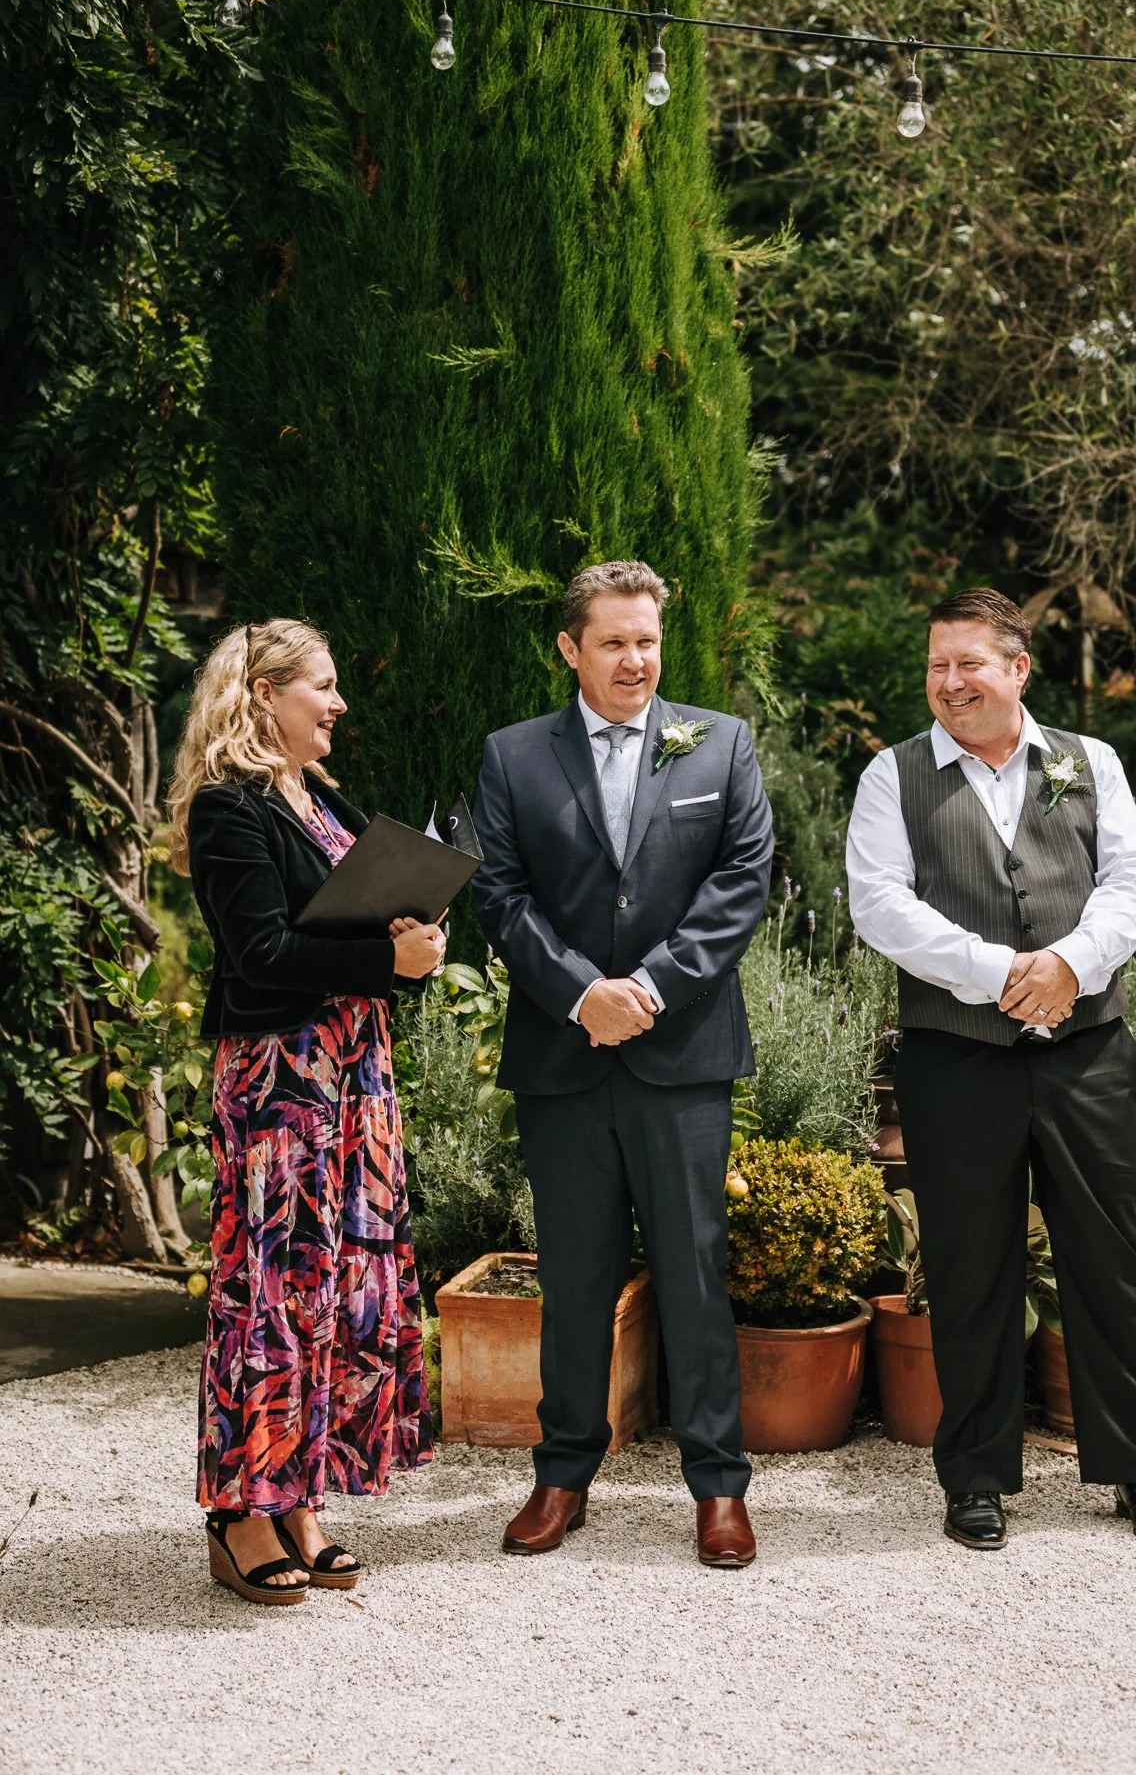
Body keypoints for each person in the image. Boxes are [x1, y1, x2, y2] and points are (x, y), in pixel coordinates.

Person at [847, 587, 1136, 1550]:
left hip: (1086, 1051)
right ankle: (978, 1475)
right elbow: (879, 905)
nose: (949, 685)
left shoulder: (1090, 762)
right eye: (936, 667)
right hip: (958, 1058)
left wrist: (1071, 965)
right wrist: (1003, 975)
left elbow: (1134, 879)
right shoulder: (893, 775)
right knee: (969, 1266)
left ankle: (1134, 1470)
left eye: (970, 665)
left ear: (1017, 669)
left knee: (1108, 1263)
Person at [472, 560, 774, 1568]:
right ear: (571, 649)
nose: (635, 659)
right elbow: (502, 899)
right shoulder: (513, 757)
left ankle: (719, 1485)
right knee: (573, 1276)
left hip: (681, 1054)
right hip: (563, 1059)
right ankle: (563, 1474)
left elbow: (742, 882)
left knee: (694, 1272)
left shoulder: (720, 744)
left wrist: (644, 989)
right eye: (613, 642)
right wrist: (578, 995)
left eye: (647, 640)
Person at [167, 618, 444, 1605]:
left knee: (338, 1285)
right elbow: (263, 956)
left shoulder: (317, 794)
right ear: (261, 695)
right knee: (269, 1290)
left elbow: (350, 920)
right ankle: (240, 1510)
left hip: (351, 1073)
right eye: (320, 688)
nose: (337, 705)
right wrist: (385, 959)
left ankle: (301, 1495)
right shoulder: (227, 809)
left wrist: (411, 935)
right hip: (279, 1077)